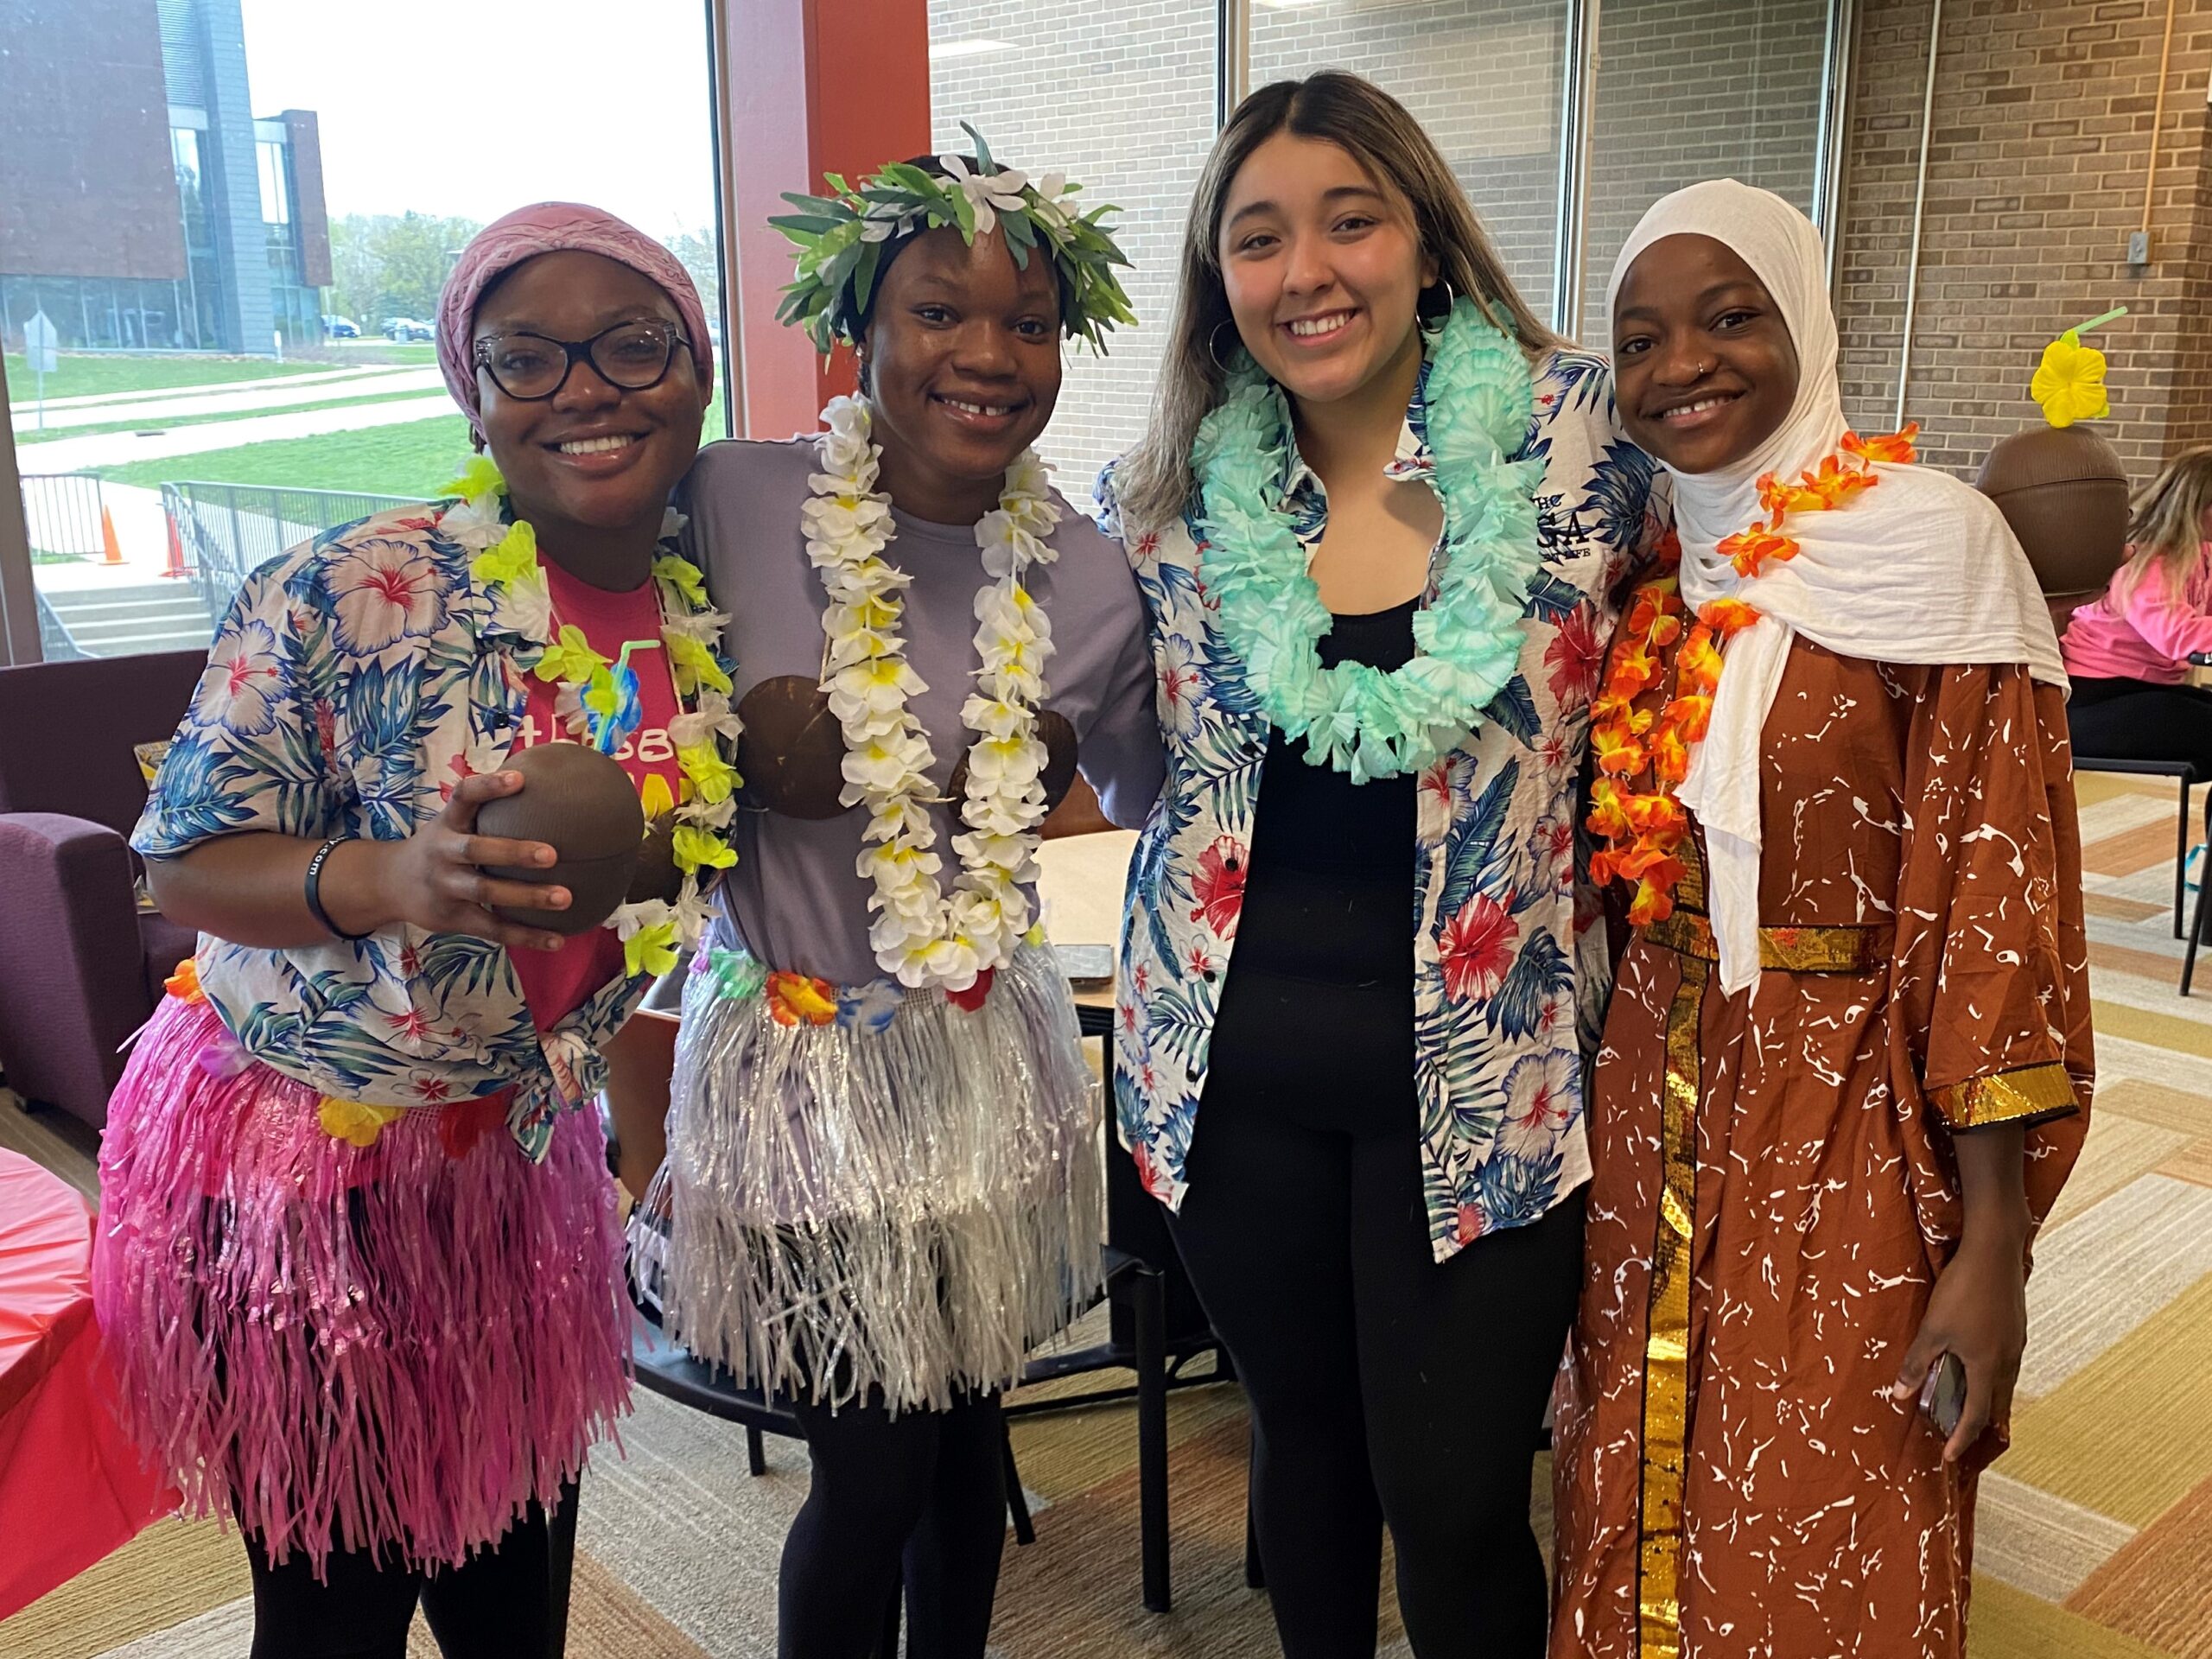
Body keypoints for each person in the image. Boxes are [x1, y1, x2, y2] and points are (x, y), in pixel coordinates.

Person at [93, 203, 734, 1659]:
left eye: (632, 345)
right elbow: (176, 867)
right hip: (305, 1168)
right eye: (528, 357)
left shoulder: (720, 597)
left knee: (516, 1604)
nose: (584, 388)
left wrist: (659, 1150)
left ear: (698, 364)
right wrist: (398, 881)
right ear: (474, 389)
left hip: (514, 1164)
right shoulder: (354, 588)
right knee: (336, 1620)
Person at [1103, 72, 1664, 1659]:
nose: (1309, 273)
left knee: (1462, 1498)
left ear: (1427, 237)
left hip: (1493, 1083)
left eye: (1352, 220)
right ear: (1221, 280)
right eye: (1260, 237)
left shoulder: (1588, 448)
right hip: (1227, 1077)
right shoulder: (1164, 502)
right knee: (1307, 1461)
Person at [636, 132, 1160, 1659]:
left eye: (1030, 323)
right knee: (867, 1475)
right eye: (939, 312)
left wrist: (1055, 766)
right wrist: (715, 765)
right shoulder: (728, 499)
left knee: (961, 1457)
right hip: (797, 1070)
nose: (987, 356)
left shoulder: (1089, 572)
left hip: (985, 1056)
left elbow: (1141, 790)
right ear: (859, 327)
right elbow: (593, 673)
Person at [1551, 181, 2093, 1659]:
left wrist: (1995, 1247)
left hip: (1858, 1105)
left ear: (1807, 326)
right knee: (1640, 1465)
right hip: (1655, 1084)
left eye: (1732, 319)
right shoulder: (1661, 565)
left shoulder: (1935, 549)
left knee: (1832, 1497)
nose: (1684, 366)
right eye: (1643, 337)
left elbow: (1998, 919)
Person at [2061, 442, 2212, 776]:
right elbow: (2179, 636)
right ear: (2198, 507)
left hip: (2147, 690)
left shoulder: (2201, 553)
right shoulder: (2147, 561)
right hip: (2096, 698)